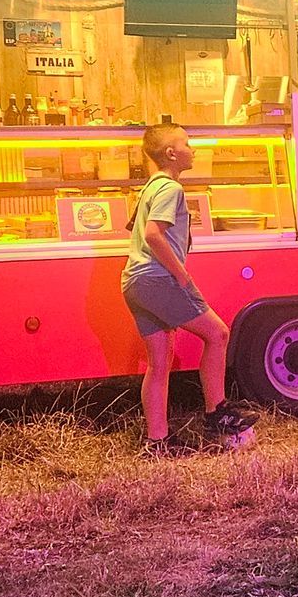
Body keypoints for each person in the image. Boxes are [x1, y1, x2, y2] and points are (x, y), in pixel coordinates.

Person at [121, 124, 256, 454]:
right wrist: (181, 275)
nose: (193, 148)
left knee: (159, 363)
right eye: (187, 143)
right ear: (171, 153)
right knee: (218, 334)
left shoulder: (150, 187)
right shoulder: (170, 189)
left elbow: (135, 228)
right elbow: (154, 234)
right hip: (158, 279)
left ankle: (158, 441)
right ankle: (217, 413)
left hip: (134, 281)